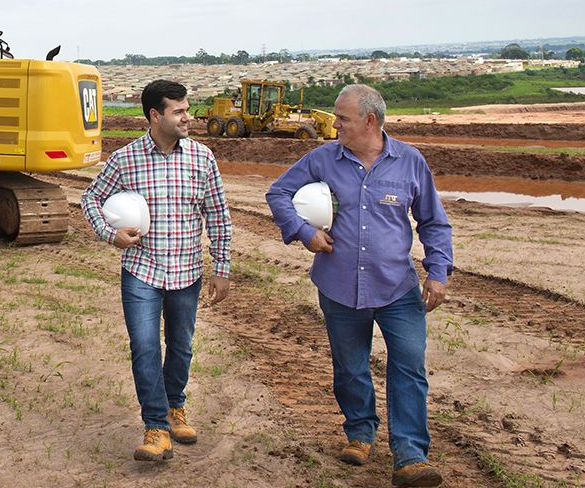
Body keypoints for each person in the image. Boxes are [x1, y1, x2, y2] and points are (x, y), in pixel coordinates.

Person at [265, 84, 452, 487]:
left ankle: (410, 455)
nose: (334, 124)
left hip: (397, 287)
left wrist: (438, 272)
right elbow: (277, 192)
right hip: (338, 285)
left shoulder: (410, 162)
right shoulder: (322, 159)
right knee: (350, 368)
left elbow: (433, 222)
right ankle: (360, 433)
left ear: (370, 121)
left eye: (342, 118)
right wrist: (302, 232)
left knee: (409, 366)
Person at [81, 79, 232, 462]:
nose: (188, 117)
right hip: (141, 271)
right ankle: (156, 428)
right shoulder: (125, 159)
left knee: (180, 346)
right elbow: (91, 198)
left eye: (187, 109)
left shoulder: (202, 158)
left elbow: (218, 215)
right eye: (178, 111)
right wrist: (109, 233)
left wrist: (222, 267)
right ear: (154, 115)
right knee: (145, 346)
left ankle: (174, 407)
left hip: (186, 271)